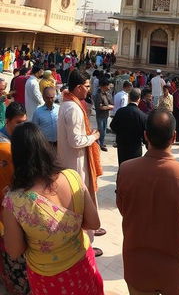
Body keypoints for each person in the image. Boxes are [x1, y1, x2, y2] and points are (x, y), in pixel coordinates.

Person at [116, 109, 179, 295]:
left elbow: (124, 209)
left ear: (146, 136)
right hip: (178, 271)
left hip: (139, 269)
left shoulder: (125, 170)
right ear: (174, 137)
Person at [1, 123, 103, 294]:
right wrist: (69, 230)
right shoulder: (72, 176)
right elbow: (94, 222)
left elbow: (14, 250)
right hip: (83, 264)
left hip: (50, 278)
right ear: (45, 147)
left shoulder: (14, 201)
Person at [57, 71, 104, 256]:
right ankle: (87, 243)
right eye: (86, 86)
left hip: (73, 161)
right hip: (75, 164)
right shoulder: (73, 109)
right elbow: (76, 141)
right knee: (80, 202)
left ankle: (91, 230)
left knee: (83, 199)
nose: (88, 89)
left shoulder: (67, 104)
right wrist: (93, 136)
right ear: (78, 88)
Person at [0, 103, 28, 295]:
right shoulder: (6, 149)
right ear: (7, 121)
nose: (21, 127)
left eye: (24, 122)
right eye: (18, 123)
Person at [110, 88, 147, 165]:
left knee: (123, 167)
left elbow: (113, 126)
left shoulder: (120, 111)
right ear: (139, 99)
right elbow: (145, 134)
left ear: (129, 98)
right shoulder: (142, 116)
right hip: (135, 147)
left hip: (122, 145)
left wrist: (120, 133)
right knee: (134, 171)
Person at [93, 78, 113, 152]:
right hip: (100, 115)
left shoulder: (108, 94)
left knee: (104, 130)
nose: (109, 87)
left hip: (106, 115)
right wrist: (108, 107)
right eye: (108, 85)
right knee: (101, 131)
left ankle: (101, 143)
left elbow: (111, 103)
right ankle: (99, 144)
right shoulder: (98, 95)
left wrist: (107, 107)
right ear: (103, 86)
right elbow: (100, 107)